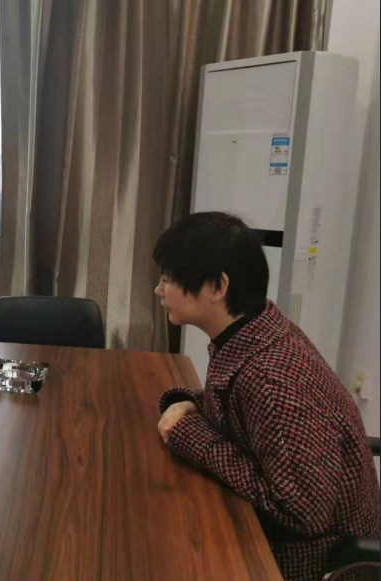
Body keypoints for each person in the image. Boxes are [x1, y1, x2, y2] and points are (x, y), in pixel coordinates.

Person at [153, 212, 379, 581]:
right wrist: (193, 403)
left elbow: (301, 513)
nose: (159, 290)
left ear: (217, 286)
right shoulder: (256, 331)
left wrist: (191, 435)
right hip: (288, 537)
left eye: (168, 279)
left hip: (313, 561)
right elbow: (249, 416)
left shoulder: (272, 376)